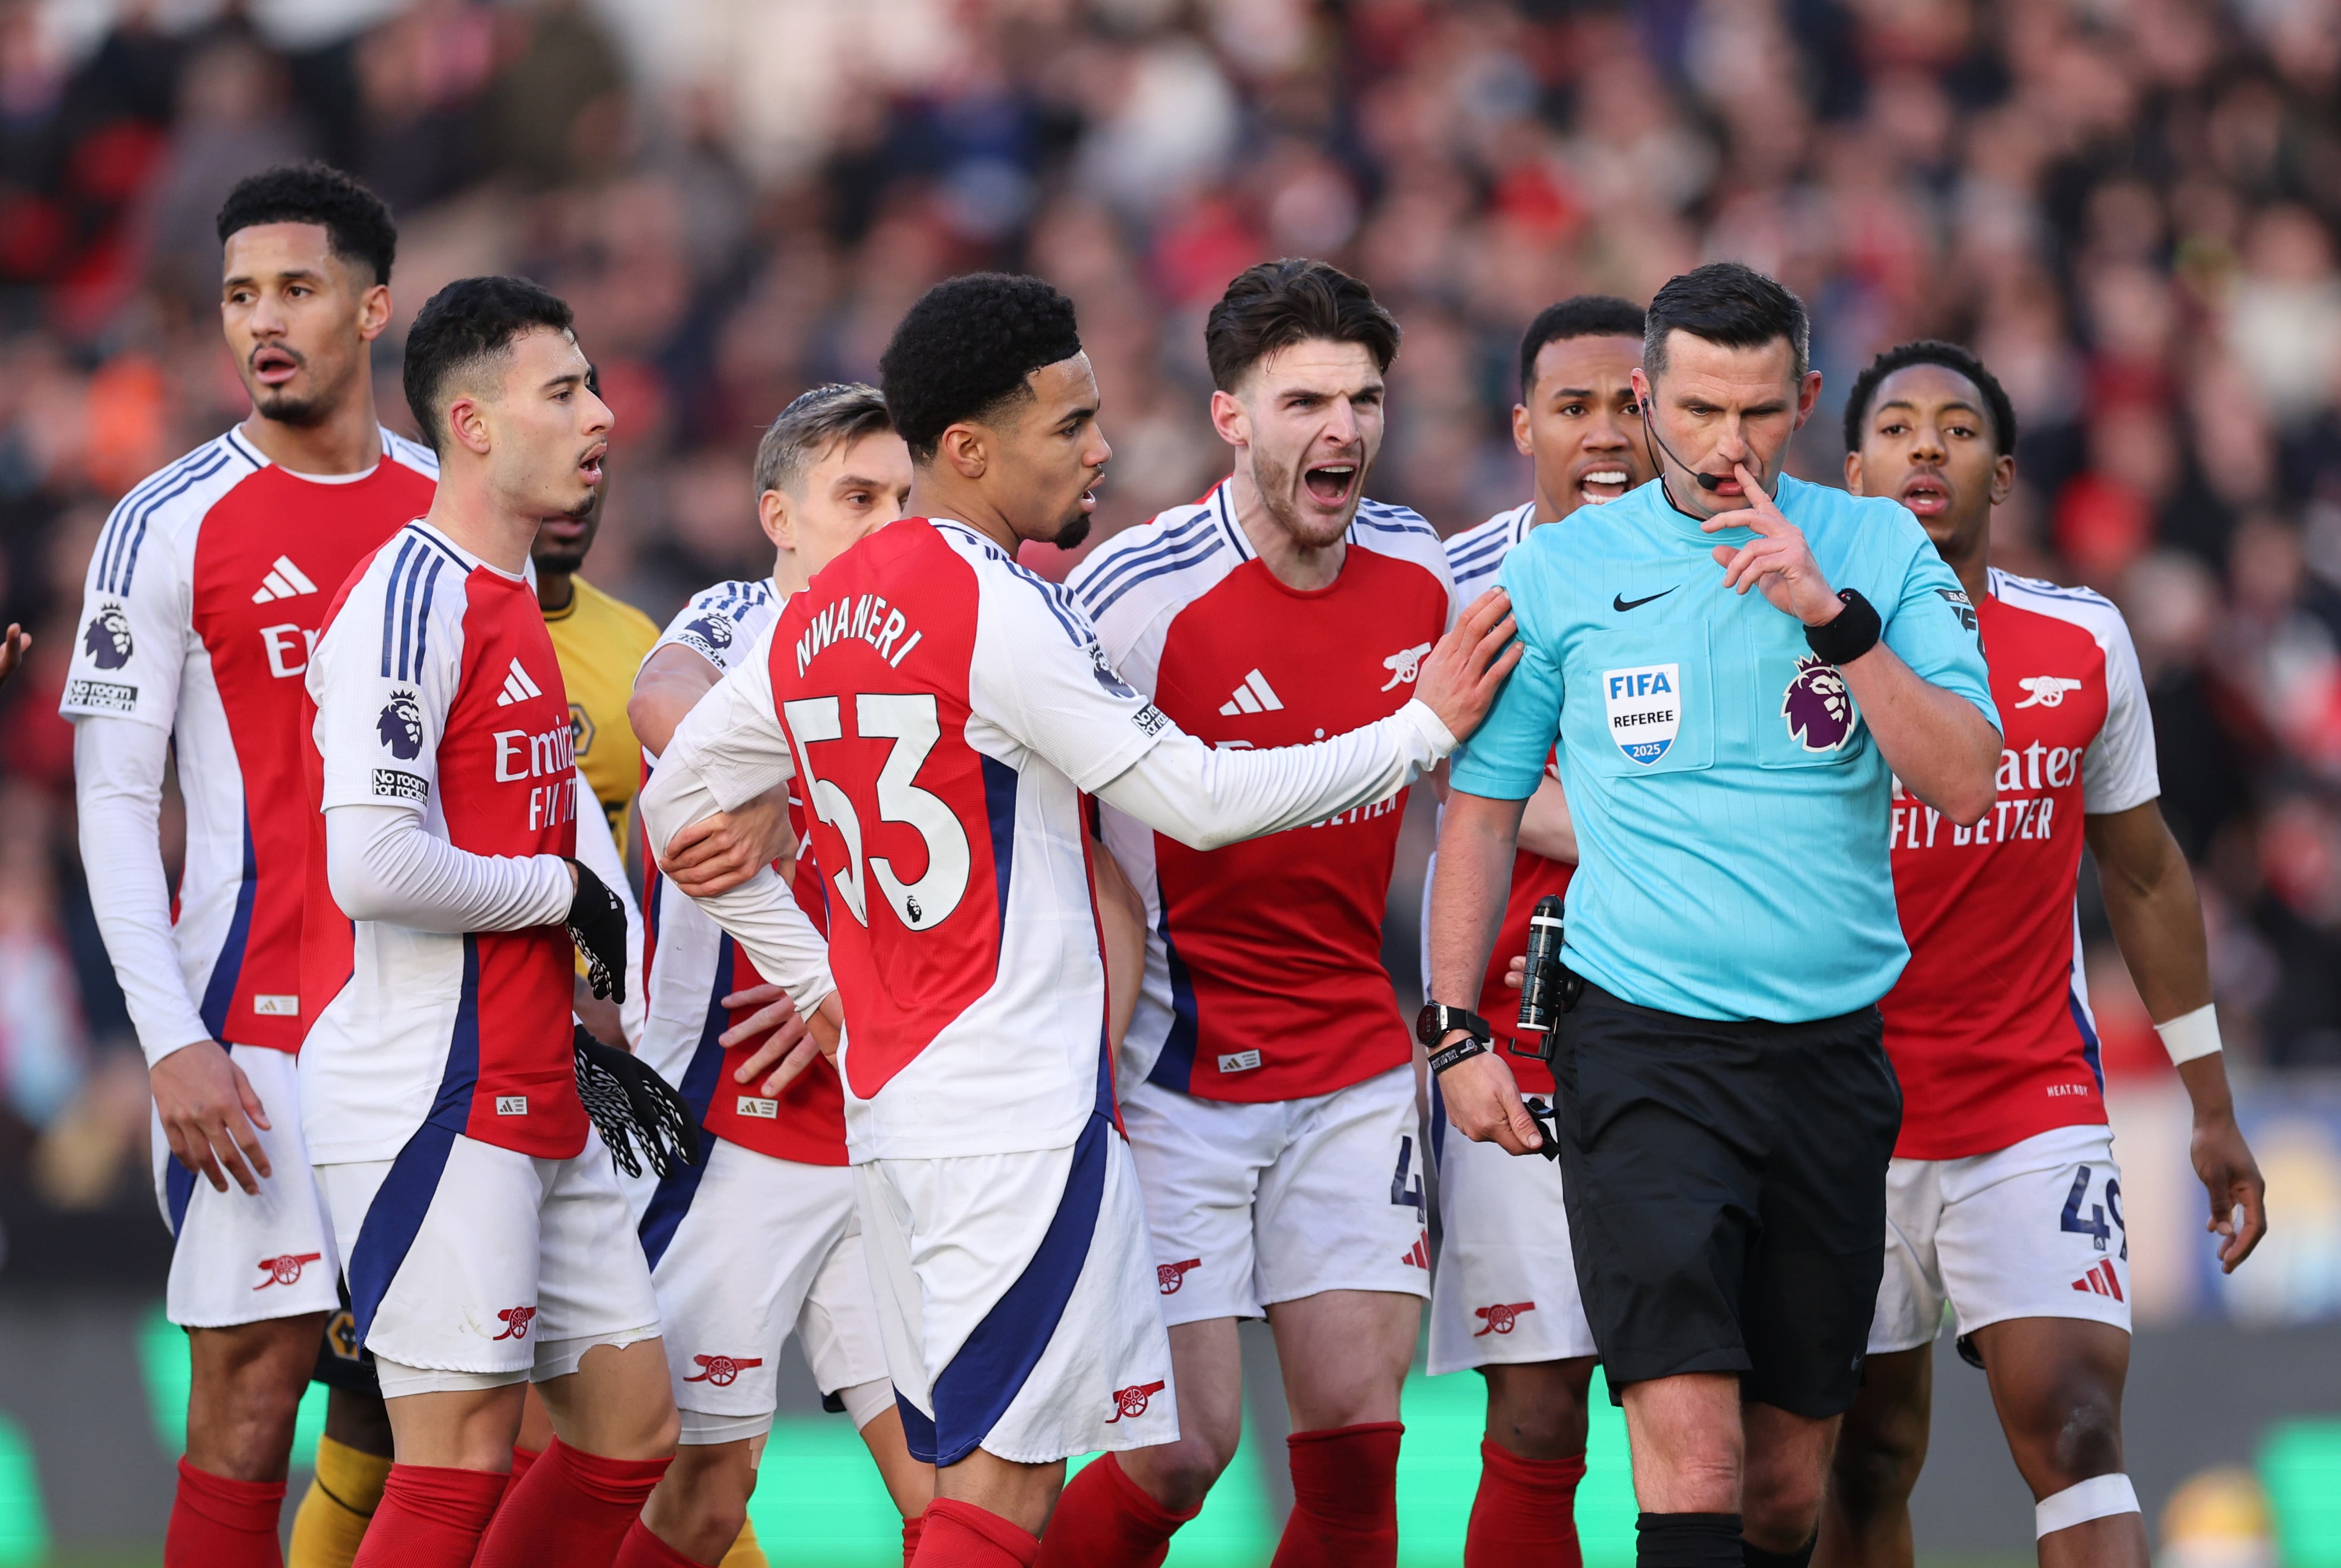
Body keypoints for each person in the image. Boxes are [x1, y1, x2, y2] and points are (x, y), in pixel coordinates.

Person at [638, 271, 1520, 1568]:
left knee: (976, 1490)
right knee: (1000, 1499)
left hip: (898, 1107)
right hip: (1013, 1114)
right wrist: (1419, 729)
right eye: (1069, 425)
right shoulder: (1006, 607)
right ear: (972, 448)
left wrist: (822, 972)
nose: (1102, 448)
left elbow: (679, 814)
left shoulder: (821, 608)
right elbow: (1199, 798)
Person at [1424, 261, 2002, 1568]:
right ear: (1646, 396)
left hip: (1828, 1055)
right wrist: (1455, 1032)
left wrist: (1831, 617)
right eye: (1693, 410)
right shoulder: (1568, 570)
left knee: (1785, 1486)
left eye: (1754, 413)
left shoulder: (1875, 550)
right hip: (1642, 1052)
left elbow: (1963, 778)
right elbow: (1480, 805)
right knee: (1692, 1459)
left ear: (1802, 399)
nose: (1722, 445)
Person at [1814, 341, 2267, 1568]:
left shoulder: (2083, 640)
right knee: (1860, 1463)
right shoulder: (1780, 647)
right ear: (1851, 471)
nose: (1925, 447)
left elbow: (2145, 868)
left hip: (2029, 1101)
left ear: (2003, 472)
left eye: (1955, 429)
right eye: (1896, 428)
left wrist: (2210, 1103)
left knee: (2074, 1426)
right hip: (1835, 1110)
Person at [1039, 257, 1455, 1568]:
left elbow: (1477, 786)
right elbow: (1023, 801)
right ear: (1230, 417)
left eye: (1363, 399)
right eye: (1304, 401)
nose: (1342, 430)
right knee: (1179, 1449)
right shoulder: (1130, 595)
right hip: (1172, 1077)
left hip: (1347, 1063)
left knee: (1354, 1450)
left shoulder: (1419, 567)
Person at [61, 163, 431, 1568]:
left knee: (460, 1404)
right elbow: (110, 800)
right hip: (255, 1025)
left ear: (373, 306)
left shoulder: (453, 518)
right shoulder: (162, 521)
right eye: (237, 296)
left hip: (435, 1023)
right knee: (251, 1388)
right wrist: (170, 1039)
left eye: (295, 289)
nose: (261, 323)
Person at [298, 275, 693, 1568]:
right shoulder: (408, 600)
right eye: (565, 390)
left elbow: (554, 800)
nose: (604, 414)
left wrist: (607, 943)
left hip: (540, 1074)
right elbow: (370, 859)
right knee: (453, 1459)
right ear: (471, 422)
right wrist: (559, 896)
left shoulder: (510, 589)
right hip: (430, 1086)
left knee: (631, 1428)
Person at [615, 383, 933, 1568]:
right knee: (698, 1494)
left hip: (876, 1116)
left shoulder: (937, 647)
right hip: (722, 1121)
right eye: (855, 497)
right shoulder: (735, 616)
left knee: (948, 1491)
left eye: (902, 499)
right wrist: (761, 781)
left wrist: (848, 988)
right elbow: (662, 700)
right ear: (778, 515)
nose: (885, 524)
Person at [1424, 294, 1657, 1568]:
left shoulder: (1727, 567)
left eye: (1631, 402)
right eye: (1575, 407)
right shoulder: (1461, 586)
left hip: (1702, 1034)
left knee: (1710, 1407)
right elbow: (1475, 789)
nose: (1607, 433)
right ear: (1524, 425)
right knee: (1534, 1398)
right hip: (1520, 1036)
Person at [536, 483, 658, 849]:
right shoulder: (436, 629)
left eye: (594, 462)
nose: (578, 484)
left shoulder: (638, 638)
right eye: (547, 451)